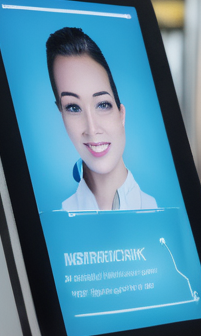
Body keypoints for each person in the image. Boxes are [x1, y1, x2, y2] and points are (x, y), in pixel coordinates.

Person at [46, 26, 157, 211]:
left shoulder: (155, 209)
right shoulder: (60, 216)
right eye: (73, 107)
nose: (92, 128)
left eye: (103, 104)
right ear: (61, 114)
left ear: (121, 114)